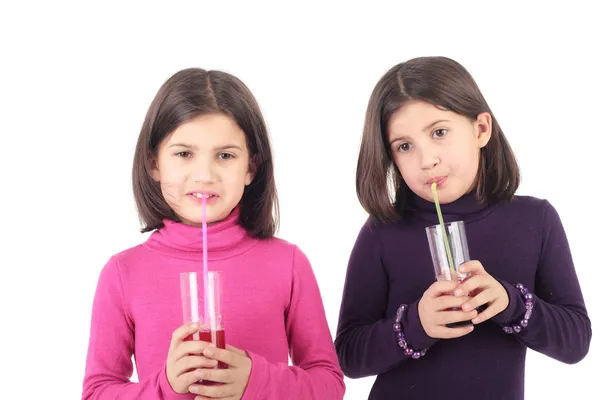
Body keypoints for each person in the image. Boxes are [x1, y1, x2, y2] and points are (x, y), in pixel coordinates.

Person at [335, 56, 591, 400]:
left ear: (481, 129)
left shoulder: (535, 220)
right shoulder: (383, 232)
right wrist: (416, 325)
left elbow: (575, 342)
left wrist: (511, 303)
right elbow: (347, 355)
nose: (426, 160)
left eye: (439, 132)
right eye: (405, 146)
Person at [82, 68, 345, 400]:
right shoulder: (122, 273)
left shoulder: (288, 263)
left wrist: (256, 380)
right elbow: (97, 392)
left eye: (225, 155)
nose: (204, 175)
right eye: (183, 154)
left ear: (251, 167)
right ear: (154, 163)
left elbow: (329, 384)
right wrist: (166, 387)